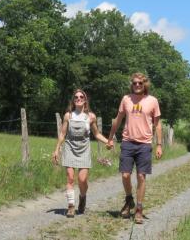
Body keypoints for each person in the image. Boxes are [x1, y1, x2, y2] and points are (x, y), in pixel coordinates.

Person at [106, 72, 163, 224]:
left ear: (145, 85)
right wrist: (110, 138)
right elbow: (118, 120)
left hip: (144, 144)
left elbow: (157, 124)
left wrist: (159, 144)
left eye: (140, 83)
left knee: (141, 176)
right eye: (134, 83)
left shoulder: (152, 101)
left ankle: (138, 208)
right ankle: (129, 199)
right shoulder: (126, 99)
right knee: (125, 175)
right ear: (131, 85)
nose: (137, 85)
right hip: (127, 142)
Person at [52, 89, 109, 218]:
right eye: (76, 97)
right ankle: (71, 206)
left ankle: (82, 197)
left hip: (84, 149)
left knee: (82, 179)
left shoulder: (91, 117)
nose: (78, 98)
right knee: (70, 178)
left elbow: (97, 134)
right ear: (73, 100)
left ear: (85, 99)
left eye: (81, 97)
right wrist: (56, 149)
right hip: (70, 148)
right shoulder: (68, 116)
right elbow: (62, 134)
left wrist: (108, 142)